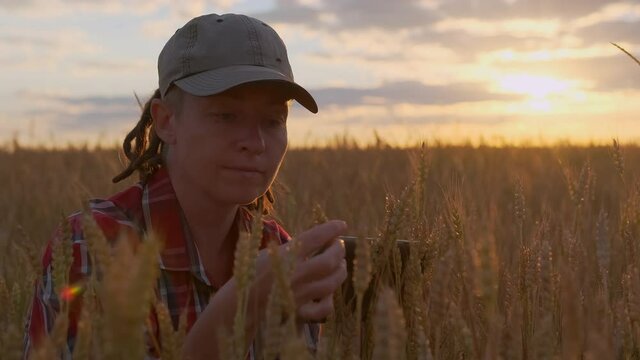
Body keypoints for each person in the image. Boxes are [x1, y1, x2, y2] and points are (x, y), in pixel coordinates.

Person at [23, 13, 348, 359]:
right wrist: (240, 306)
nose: (255, 142)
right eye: (226, 116)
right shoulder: (94, 244)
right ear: (166, 121)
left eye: (272, 121)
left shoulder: (274, 248)